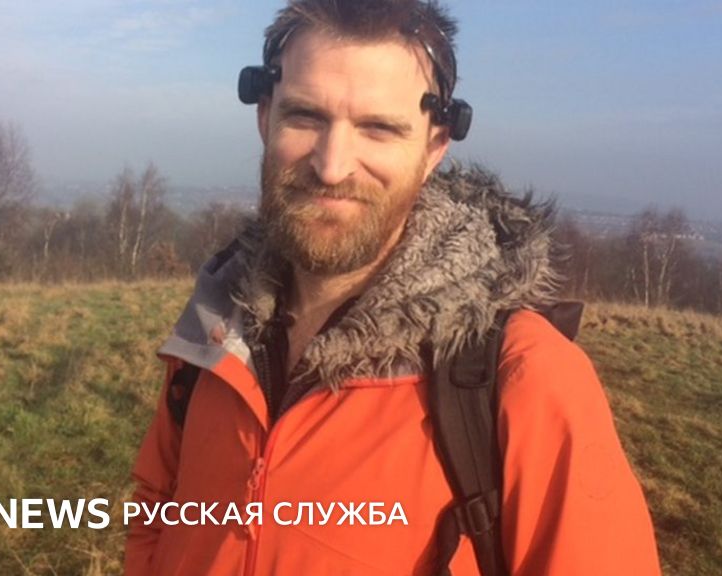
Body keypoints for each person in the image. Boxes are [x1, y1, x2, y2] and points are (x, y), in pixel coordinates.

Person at [125, 0, 661, 574]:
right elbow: (158, 509)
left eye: (378, 128)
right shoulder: (217, 326)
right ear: (265, 117)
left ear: (434, 147)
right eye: (305, 116)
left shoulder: (522, 377)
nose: (332, 166)